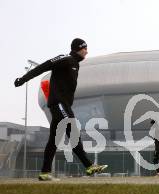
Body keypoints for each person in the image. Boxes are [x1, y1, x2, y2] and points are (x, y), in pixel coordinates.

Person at [14, 38, 107, 181]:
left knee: (53, 140)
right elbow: (43, 67)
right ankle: (89, 166)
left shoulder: (76, 64)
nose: (87, 52)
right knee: (72, 128)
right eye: (84, 48)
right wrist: (23, 79)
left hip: (63, 104)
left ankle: (45, 173)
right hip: (58, 103)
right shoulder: (65, 59)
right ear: (78, 48)